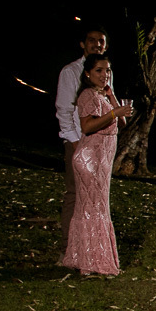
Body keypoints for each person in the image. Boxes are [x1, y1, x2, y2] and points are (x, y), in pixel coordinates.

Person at [61, 53, 133, 275]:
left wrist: (113, 99)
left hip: (102, 161)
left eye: (108, 70)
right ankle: (91, 259)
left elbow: (122, 122)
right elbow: (87, 127)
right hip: (89, 160)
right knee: (93, 208)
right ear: (88, 74)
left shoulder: (103, 95)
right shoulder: (86, 95)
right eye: (99, 70)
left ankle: (83, 256)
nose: (105, 75)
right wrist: (114, 112)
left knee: (95, 208)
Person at [55, 25, 110, 259]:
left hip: (100, 146)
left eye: (101, 41)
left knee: (95, 196)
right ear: (82, 44)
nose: (97, 44)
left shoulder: (107, 71)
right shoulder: (71, 72)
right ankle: (68, 247)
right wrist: (75, 142)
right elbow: (64, 110)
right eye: (92, 40)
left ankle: (89, 247)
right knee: (75, 193)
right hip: (79, 141)